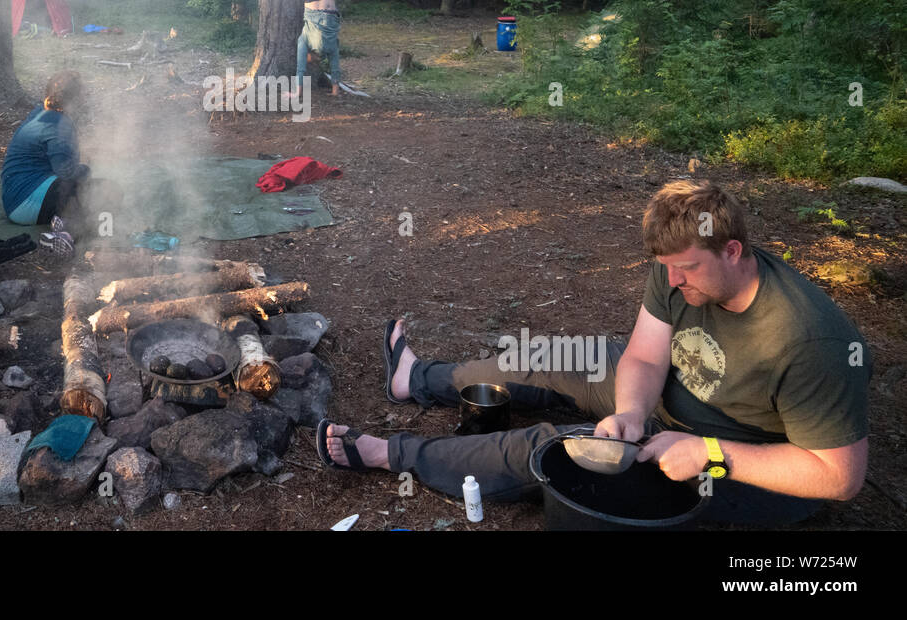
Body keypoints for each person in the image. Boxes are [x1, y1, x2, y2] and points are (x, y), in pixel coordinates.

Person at [319, 180, 869, 525]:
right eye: (666, 268)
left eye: (688, 269)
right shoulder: (676, 268)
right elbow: (648, 358)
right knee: (551, 355)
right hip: (670, 398)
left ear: (733, 250)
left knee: (553, 448)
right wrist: (631, 411)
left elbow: (838, 477)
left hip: (748, 461)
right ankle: (418, 379)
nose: (674, 282)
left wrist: (710, 452)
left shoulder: (810, 338)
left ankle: (392, 456)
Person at [1, 70, 118, 251]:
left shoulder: (39, 111)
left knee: (81, 190)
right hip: (27, 203)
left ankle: (62, 221)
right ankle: (66, 233)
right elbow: (67, 173)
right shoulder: (59, 124)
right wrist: (86, 168)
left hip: (13, 199)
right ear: (74, 100)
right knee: (105, 191)